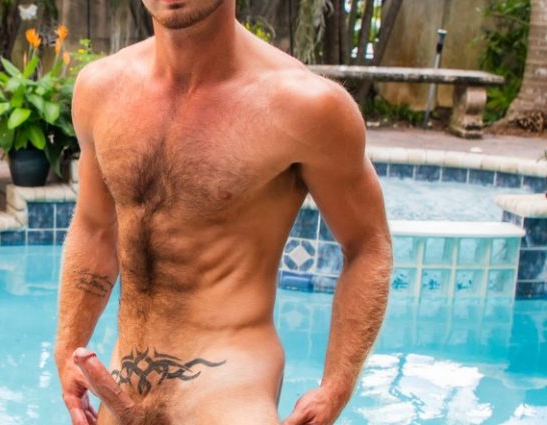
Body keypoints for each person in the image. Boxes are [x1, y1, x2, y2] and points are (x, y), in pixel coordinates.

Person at [53, 0, 393, 424]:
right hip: (120, 388)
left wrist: (336, 387)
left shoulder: (305, 105)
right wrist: (67, 349)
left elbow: (367, 245)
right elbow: (95, 229)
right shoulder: (101, 89)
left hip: (229, 396)